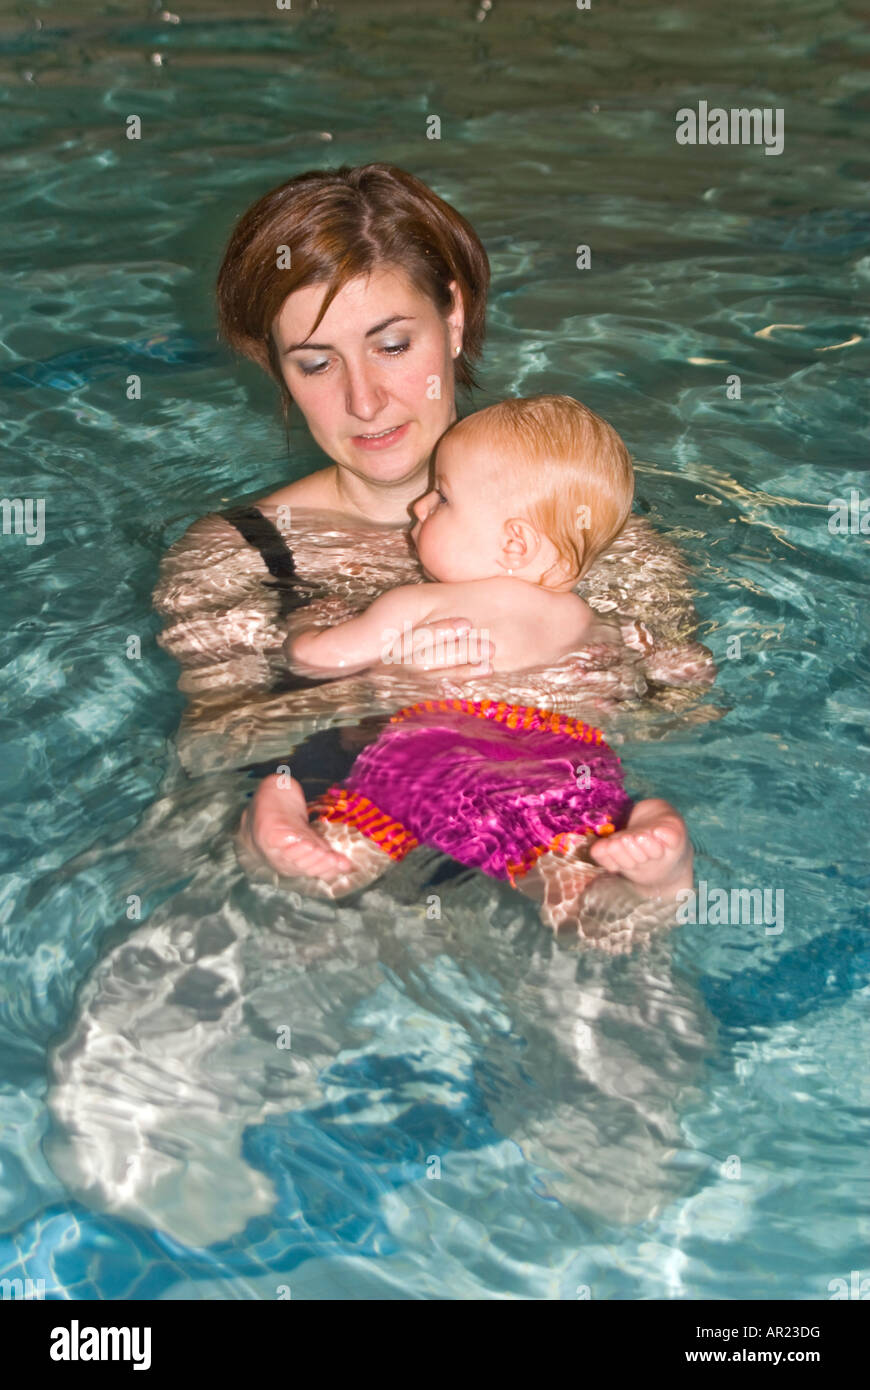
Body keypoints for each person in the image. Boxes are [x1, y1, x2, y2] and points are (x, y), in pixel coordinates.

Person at [154, 163, 714, 784]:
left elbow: (685, 724)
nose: (364, 402)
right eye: (316, 364)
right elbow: (208, 753)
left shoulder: (603, 539)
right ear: (278, 371)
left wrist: (582, 671)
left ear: (453, 322)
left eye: (392, 347)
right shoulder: (239, 560)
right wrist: (382, 690)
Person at [238, 396, 693, 939]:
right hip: (564, 758)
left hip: (431, 750)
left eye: (442, 497)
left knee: (335, 868)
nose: (418, 508)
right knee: (579, 900)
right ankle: (654, 880)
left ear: (514, 543)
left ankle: (279, 834)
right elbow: (671, 676)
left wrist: (305, 629)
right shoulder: (592, 619)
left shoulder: (422, 603)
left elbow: (320, 658)